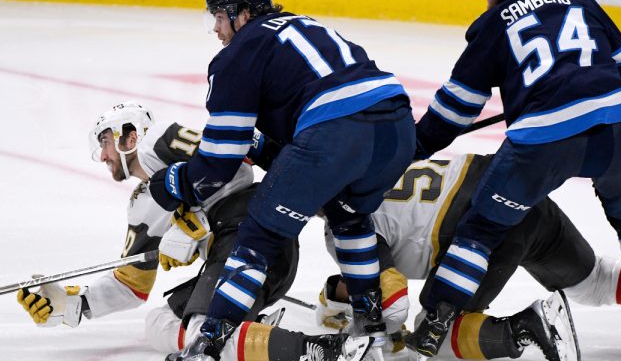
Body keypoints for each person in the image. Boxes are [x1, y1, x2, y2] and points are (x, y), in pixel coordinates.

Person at [406, 0, 621, 356]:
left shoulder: (493, 26)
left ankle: (436, 320)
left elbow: (457, 108)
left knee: (481, 230)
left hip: (543, 143)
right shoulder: (582, 0)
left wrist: (417, 145)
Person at [148, 0, 416, 360]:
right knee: (349, 216)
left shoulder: (237, 54)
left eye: (219, 19)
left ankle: (208, 346)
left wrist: (173, 182)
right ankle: (372, 330)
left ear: (241, 15)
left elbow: (217, 165)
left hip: (334, 132)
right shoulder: (308, 25)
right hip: (397, 124)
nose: (217, 31)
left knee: (258, 237)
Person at [15, 102, 374, 361]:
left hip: (252, 233)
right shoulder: (142, 204)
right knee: (160, 323)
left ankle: (326, 352)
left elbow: (232, 162)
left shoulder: (160, 140)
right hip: (228, 254)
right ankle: (256, 337)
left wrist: (192, 220)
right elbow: (131, 284)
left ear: (127, 136)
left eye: (104, 143)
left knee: (207, 331)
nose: (103, 156)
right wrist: (76, 303)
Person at [318, 154, 621, 359]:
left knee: (432, 338)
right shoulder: (374, 166)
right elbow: (371, 282)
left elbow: (390, 305)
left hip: (478, 226)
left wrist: (369, 333)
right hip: (515, 189)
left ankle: (524, 328)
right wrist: (337, 299)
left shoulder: (343, 226)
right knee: (595, 282)